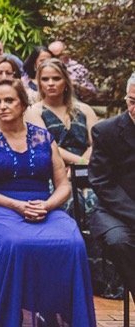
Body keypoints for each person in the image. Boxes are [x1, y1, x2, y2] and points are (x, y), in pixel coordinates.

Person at [0, 80, 95, 326]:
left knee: (73, 242)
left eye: (9, 100)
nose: (2, 106)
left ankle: (62, 318)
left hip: (42, 205)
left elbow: (63, 184)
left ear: (23, 103)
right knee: (16, 243)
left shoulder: (44, 137)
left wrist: (47, 205)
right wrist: (16, 205)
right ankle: (8, 318)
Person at [89, 71, 135, 302]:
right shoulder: (106, 131)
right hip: (114, 210)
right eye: (132, 101)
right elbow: (102, 182)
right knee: (119, 242)